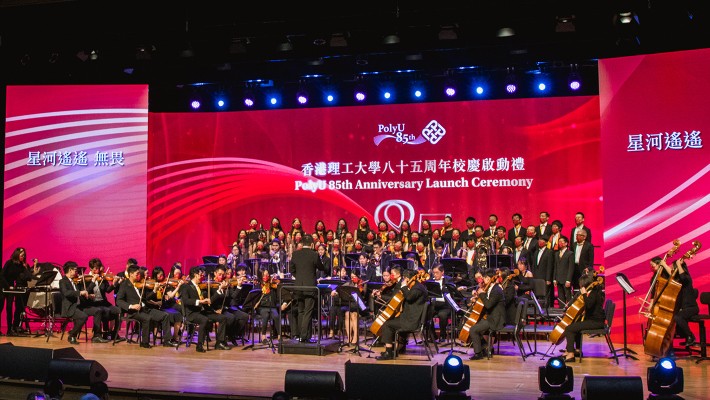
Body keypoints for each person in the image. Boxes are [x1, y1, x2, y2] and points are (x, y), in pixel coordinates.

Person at [375, 267, 427, 360]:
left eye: (404, 278)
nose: (403, 280)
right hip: (409, 318)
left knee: (387, 324)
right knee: (391, 321)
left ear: (407, 278)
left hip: (411, 321)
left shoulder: (417, 289)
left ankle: (389, 352)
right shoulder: (417, 287)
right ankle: (393, 350)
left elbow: (409, 297)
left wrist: (403, 287)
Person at [115, 265, 172, 349]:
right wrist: (131, 306)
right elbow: (119, 300)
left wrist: (154, 290)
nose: (139, 276)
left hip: (145, 309)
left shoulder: (139, 285)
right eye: (137, 274)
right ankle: (144, 342)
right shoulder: (124, 285)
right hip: (134, 312)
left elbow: (146, 298)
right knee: (147, 318)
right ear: (130, 274)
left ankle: (167, 341)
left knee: (165, 315)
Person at [650, 256, 699, 348]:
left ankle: (690, 336)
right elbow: (673, 277)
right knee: (674, 319)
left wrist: (678, 265)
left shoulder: (687, 279)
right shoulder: (678, 281)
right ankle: (678, 340)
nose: (672, 271)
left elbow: (682, 277)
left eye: (673, 268)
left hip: (691, 308)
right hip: (683, 308)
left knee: (678, 317)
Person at [289, 236, 325, 343]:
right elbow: (321, 267)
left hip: (298, 286)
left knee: (301, 311)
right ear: (312, 245)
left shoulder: (295, 254)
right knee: (308, 312)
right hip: (310, 287)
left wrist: (300, 277)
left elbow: (292, 270)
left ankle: (303, 336)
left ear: (302, 243)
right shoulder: (314, 255)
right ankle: (304, 336)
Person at [562, 273, 605, 361]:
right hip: (594, 319)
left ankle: (570, 354)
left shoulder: (594, 292)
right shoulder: (594, 291)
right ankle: (577, 350)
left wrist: (584, 294)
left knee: (569, 329)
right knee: (576, 325)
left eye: (581, 285)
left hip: (596, 322)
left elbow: (589, 305)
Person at [468, 269, 506, 360]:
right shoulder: (491, 288)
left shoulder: (496, 290)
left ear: (489, 279)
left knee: (473, 330)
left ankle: (478, 353)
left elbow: (488, 305)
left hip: (496, 319)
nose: (483, 280)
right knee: (474, 327)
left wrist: (481, 294)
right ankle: (485, 347)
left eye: (484, 278)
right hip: (490, 317)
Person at [84, 258, 122, 342]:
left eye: (98, 268)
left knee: (117, 310)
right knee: (105, 311)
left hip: (103, 302)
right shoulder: (86, 279)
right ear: (91, 268)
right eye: (95, 268)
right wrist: (93, 281)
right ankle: (100, 334)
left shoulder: (102, 277)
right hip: (93, 303)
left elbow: (107, 290)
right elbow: (87, 292)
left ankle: (114, 333)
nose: (97, 270)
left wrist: (114, 283)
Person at [146, 266, 182, 347]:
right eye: (159, 275)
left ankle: (174, 337)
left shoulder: (165, 284)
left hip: (163, 306)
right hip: (154, 307)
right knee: (168, 315)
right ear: (155, 275)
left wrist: (178, 286)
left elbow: (171, 295)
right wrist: (156, 303)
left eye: (162, 274)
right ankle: (167, 339)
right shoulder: (151, 284)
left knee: (178, 314)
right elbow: (147, 299)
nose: (161, 276)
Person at [2, 247, 35, 335]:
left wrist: (26, 267)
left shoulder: (21, 265)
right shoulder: (9, 262)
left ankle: (9, 330)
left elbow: (28, 277)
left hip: (11, 287)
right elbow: (2, 275)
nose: (23, 257)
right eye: (21, 255)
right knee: (0, 308)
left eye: (24, 256)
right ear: (17, 254)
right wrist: (8, 286)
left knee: (9, 308)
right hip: (3, 286)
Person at [58, 261, 91, 344]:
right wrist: (80, 292)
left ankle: (98, 335)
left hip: (78, 306)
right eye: (75, 270)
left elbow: (78, 293)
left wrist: (89, 295)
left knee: (96, 311)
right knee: (83, 316)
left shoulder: (73, 281)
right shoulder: (63, 281)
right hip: (70, 307)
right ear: (70, 270)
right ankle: (72, 335)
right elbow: (66, 293)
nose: (76, 272)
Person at [429, 264, 454, 343]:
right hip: (434, 304)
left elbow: (451, 292)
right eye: (434, 273)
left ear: (442, 272)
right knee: (427, 314)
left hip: (445, 305)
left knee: (442, 315)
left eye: (437, 273)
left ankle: (443, 335)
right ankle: (433, 335)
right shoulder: (431, 281)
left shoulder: (448, 280)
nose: (435, 275)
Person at [553, 236, 574, 308]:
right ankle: (561, 311)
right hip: (558, 279)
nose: (560, 243)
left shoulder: (570, 253)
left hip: (566, 279)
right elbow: (555, 267)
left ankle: (570, 310)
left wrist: (568, 280)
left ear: (566, 243)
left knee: (568, 296)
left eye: (562, 242)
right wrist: (554, 279)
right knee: (560, 297)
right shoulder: (556, 254)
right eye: (559, 242)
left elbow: (571, 268)